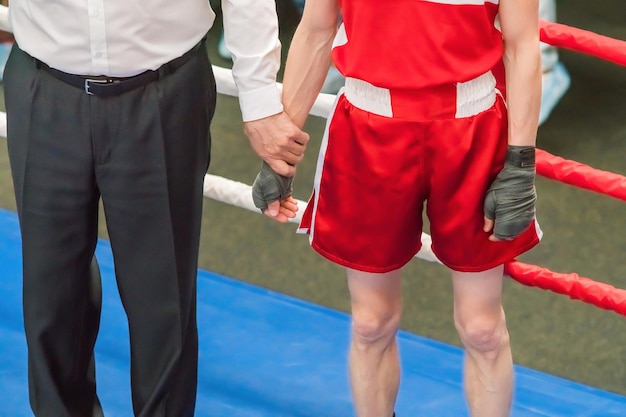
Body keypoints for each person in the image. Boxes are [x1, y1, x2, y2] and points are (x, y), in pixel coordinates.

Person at [2, 0, 308, 416]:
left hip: (164, 92)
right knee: (50, 295)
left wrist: (258, 100)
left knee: (161, 300)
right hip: (43, 84)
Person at [253, 0, 542, 416]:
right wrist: (281, 153)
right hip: (370, 126)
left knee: (482, 328)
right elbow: (317, 31)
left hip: (471, 125)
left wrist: (520, 162)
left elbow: (521, 44)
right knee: (371, 322)